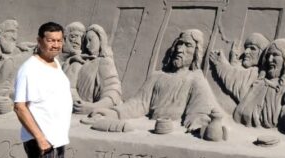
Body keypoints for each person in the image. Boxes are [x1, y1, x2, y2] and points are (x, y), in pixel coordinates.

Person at [13, 22, 72, 158]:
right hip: (41, 139)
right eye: (50, 40)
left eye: (59, 40)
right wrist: (39, 137)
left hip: (56, 137)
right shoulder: (29, 69)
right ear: (39, 41)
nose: (55, 45)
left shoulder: (55, 63)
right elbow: (20, 107)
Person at [87, 29, 215, 132]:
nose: (180, 49)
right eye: (179, 44)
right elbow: (139, 103)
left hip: (171, 130)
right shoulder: (157, 76)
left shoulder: (196, 79)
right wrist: (114, 113)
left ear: (196, 52)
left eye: (188, 45)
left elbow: (200, 112)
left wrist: (201, 126)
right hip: (149, 126)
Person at [208, 38, 285, 128]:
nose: (270, 59)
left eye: (275, 55)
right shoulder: (259, 84)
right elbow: (237, 81)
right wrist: (224, 64)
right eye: (268, 55)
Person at [64, 24, 123, 114]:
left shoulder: (105, 62)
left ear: (101, 40)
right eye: (86, 42)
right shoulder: (78, 62)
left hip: (97, 110)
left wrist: (92, 107)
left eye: (91, 40)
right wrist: (77, 102)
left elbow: (113, 92)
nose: (88, 45)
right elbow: (70, 87)